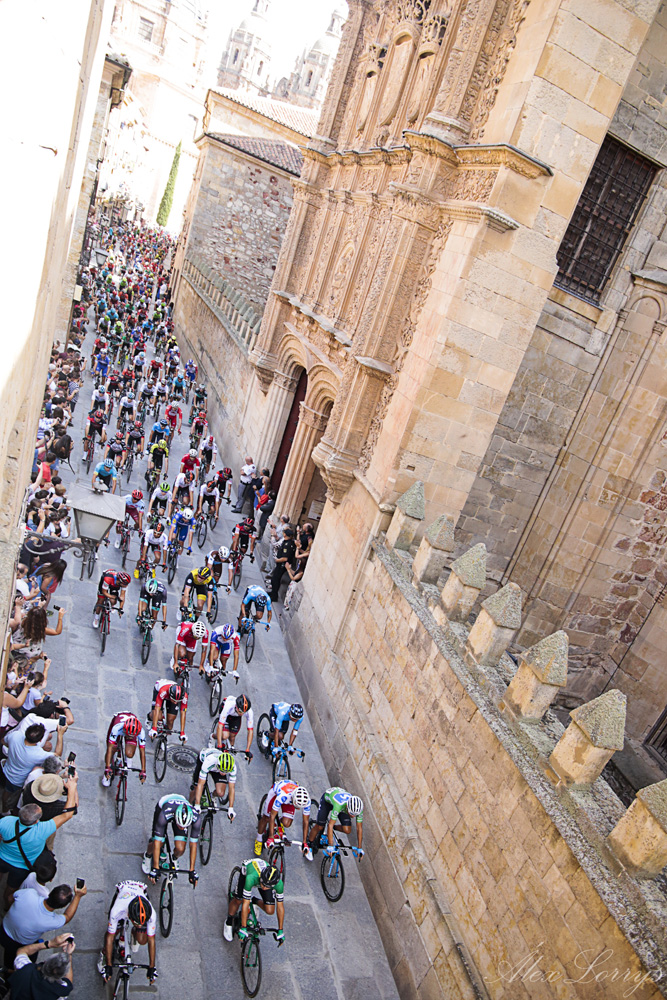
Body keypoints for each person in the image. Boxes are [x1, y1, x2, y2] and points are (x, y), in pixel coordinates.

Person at [0, 786, 79, 906]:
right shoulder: (42, 830)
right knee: (11, 889)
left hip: (1, 857)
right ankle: (6, 906)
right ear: (36, 821)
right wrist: (72, 787)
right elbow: (68, 814)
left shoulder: (6, 821)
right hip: (21, 867)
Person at [1, 882, 86, 968]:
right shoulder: (52, 921)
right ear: (62, 907)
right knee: (18, 962)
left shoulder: (29, 893)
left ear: (50, 893)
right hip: (22, 944)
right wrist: (77, 896)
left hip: (3, 930)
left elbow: (10, 898)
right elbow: (67, 916)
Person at [98, 881, 157, 984]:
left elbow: (151, 940)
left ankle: (134, 933)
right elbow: (109, 938)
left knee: (143, 940)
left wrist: (152, 967)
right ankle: (104, 954)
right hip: (123, 890)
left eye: (141, 924)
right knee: (113, 932)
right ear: (129, 916)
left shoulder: (151, 914)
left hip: (140, 890)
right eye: (136, 923)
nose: (140, 925)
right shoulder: (117, 910)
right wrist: (108, 965)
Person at [2, 724, 66, 813]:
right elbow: (57, 755)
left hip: (7, 772)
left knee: (7, 791)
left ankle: (4, 811)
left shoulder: (15, 735)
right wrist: (60, 734)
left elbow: (4, 741)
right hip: (20, 781)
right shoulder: (39, 754)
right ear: (40, 740)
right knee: (17, 799)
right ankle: (14, 812)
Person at [141, 794, 201, 884]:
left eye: (184, 826)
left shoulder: (196, 818)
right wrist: (155, 868)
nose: (181, 828)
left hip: (180, 811)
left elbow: (193, 844)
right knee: (159, 843)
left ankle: (174, 858)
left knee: (180, 849)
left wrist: (192, 870)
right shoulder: (164, 814)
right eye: (180, 826)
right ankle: (148, 855)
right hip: (165, 806)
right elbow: (157, 842)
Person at [223, 860, 284, 944]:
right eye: (263, 884)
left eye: (267, 886)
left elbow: (280, 907)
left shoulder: (279, 884)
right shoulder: (250, 878)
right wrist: (243, 928)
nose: (264, 888)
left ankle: (255, 901)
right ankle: (228, 921)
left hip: (263, 878)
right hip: (249, 871)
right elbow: (245, 903)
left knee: (270, 910)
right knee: (238, 900)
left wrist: (281, 930)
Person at [304, 788, 364, 862]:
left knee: (347, 830)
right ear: (347, 807)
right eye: (351, 814)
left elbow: (359, 828)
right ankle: (309, 844)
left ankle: (331, 831)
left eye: (355, 815)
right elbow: (330, 825)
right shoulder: (339, 805)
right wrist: (330, 845)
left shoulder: (359, 809)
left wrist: (359, 847)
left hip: (341, 804)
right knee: (320, 826)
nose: (353, 816)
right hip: (327, 801)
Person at [254, 781, 310, 857]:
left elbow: (306, 821)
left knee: (287, 823)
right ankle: (258, 839)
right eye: (297, 806)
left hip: (290, 797)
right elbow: (272, 816)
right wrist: (271, 837)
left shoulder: (307, 800)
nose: (298, 809)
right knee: (267, 818)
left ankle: (277, 823)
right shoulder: (283, 796)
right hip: (276, 793)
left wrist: (305, 842)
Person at [10, 934, 75, 999]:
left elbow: (22, 951)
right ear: (62, 975)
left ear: (45, 962)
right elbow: (68, 982)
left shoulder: (26, 968)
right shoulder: (60, 991)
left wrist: (49, 944)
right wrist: (69, 954)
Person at [102, 712, 147, 787]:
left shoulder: (141, 732)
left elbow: (142, 752)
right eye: (129, 736)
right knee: (112, 749)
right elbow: (109, 748)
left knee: (130, 753)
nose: (130, 737)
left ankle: (127, 758)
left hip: (130, 729)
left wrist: (143, 771)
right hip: (119, 723)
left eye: (132, 736)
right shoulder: (117, 728)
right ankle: (107, 774)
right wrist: (107, 768)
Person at [189, 748, 237, 819]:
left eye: (226, 772)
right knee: (196, 789)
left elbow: (232, 788)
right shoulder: (209, 761)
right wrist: (197, 805)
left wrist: (231, 808)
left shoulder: (233, 767)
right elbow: (200, 784)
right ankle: (189, 805)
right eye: (222, 771)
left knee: (220, 793)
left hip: (217, 767)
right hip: (205, 761)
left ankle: (213, 796)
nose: (223, 774)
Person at [268, 527, 296, 602]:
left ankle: (274, 596)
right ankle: (273, 593)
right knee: (274, 579)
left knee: (275, 579)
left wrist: (277, 560)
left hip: (282, 565)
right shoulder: (287, 541)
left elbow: (285, 558)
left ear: (285, 534)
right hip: (280, 564)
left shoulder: (287, 544)